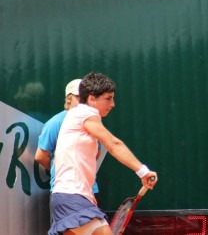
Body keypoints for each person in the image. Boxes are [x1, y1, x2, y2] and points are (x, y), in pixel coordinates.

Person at [49, 72, 158, 235]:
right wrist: (142, 171)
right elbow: (114, 144)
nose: (113, 104)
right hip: (72, 196)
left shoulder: (75, 117)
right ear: (92, 99)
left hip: (70, 196)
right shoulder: (86, 113)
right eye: (108, 98)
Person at [35, 79, 101, 201]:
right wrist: (64, 169)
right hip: (64, 191)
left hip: (91, 190)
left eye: (86, 97)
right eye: (79, 97)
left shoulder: (94, 120)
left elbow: (96, 152)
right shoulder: (55, 122)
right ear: (69, 98)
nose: (83, 101)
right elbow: (40, 156)